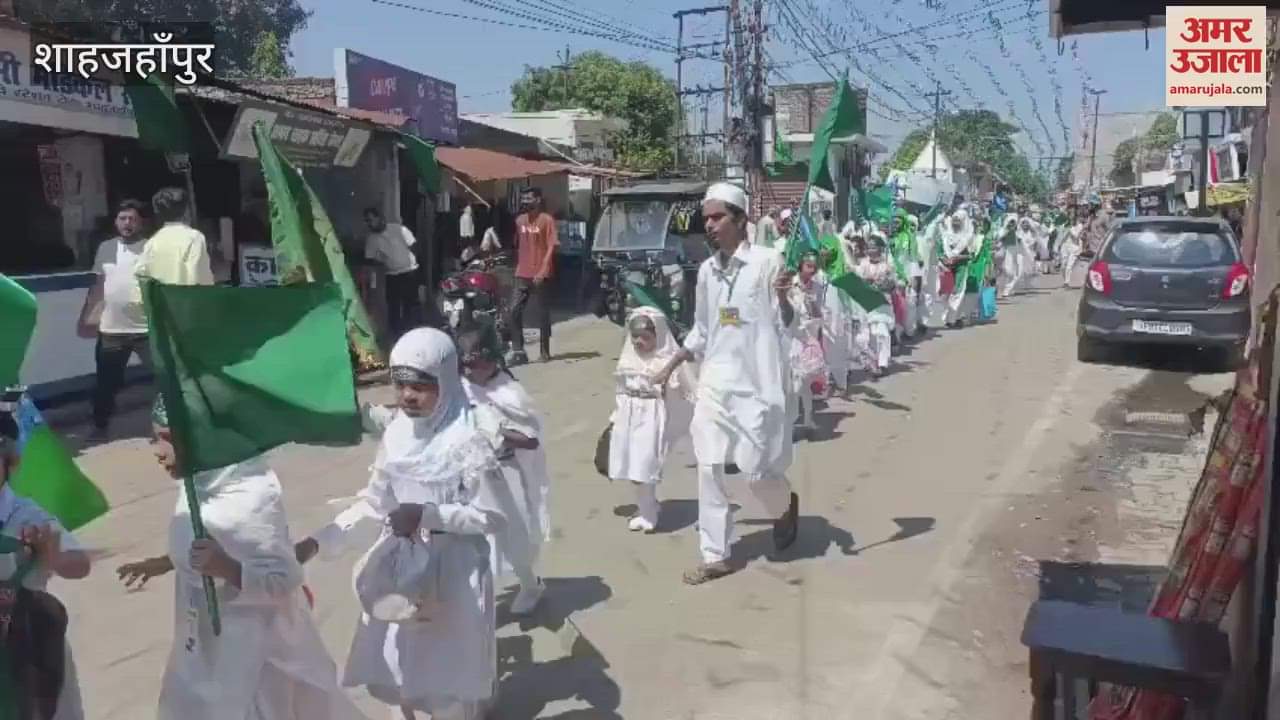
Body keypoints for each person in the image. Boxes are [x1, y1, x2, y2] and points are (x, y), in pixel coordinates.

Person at [295, 328, 505, 720]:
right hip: (399, 574)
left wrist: (428, 515)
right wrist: (317, 543)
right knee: (398, 674)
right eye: (400, 385)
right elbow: (376, 505)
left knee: (447, 685)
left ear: (445, 380)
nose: (407, 396)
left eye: (420, 386)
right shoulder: (396, 434)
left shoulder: (471, 437)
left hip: (454, 575)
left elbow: (492, 515)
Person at [115, 398, 363, 720]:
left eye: (168, 439)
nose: (158, 452)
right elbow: (212, 541)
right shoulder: (198, 482)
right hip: (205, 645)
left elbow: (283, 579)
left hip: (256, 657)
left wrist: (228, 569)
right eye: (155, 438)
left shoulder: (250, 496)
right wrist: (166, 561)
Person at [653, 182, 800, 586]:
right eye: (707, 219)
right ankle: (715, 554)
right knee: (709, 465)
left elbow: (790, 323)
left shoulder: (769, 263)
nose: (710, 225)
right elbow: (703, 329)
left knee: (757, 472)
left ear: (741, 219)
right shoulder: (706, 271)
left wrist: (783, 298)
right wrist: (671, 364)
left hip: (758, 385)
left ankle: (784, 506)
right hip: (716, 383)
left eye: (718, 217)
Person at [0, 411, 91, 720]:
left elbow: (80, 564)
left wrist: (52, 557)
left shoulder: (28, 516)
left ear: (11, 461)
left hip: (27, 652)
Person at [457, 326, 549, 616]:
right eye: (464, 365)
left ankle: (530, 585)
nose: (468, 371)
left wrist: (497, 433)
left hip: (506, 474)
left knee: (513, 536)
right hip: (470, 473)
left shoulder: (510, 393)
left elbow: (531, 439)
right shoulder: (461, 387)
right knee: (470, 537)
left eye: (474, 364)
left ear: (492, 360)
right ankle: (474, 597)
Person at [608, 307, 696, 532]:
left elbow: (684, 394)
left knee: (644, 467)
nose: (639, 342)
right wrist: (617, 415)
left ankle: (648, 515)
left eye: (645, 337)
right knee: (633, 467)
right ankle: (647, 507)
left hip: (652, 419)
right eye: (635, 337)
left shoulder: (666, 362)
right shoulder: (629, 359)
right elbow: (620, 390)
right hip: (628, 417)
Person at [79, 199, 150, 439]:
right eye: (122, 218)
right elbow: (99, 285)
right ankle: (100, 426)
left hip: (146, 329)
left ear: (141, 222)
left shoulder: (151, 248)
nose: (127, 223)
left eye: (132, 219)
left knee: (166, 377)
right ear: (116, 222)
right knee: (106, 383)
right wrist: (89, 316)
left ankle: (174, 425)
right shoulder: (106, 248)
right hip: (112, 329)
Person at [509, 188, 558, 366]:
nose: (525, 201)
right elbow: (518, 245)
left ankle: (545, 351)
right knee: (513, 310)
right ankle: (519, 350)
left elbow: (551, 246)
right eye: (523, 198)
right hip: (522, 273)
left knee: (542, 313)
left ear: (538, 200)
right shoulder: (519, 220)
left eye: (529, 198)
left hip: (541, 274)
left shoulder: (547, 220)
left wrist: (543, 270)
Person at [134, 187, 214, 289]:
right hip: (185, 297)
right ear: (186, 210)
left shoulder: (153, 241)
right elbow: (199, 274)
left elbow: (140, 274)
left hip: (161, 298)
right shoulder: (194, 237)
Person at [362, 207, 422, 342]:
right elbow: (370, 259)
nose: (370, 223)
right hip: (392, 275)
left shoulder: (399, 229)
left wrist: (411, 261)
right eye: (367, 221)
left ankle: (412, 334)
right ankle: (396, 337)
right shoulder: (372, 239)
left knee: (410, 304)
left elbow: (414, 245)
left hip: (409, 272)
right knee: (393, 306)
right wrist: (381, 260)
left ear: (379, 218)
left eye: (371, 220)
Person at [790, 253, 827, 432]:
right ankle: (791, 421)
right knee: (795, 382)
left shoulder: (817, 287)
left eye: (814, 267)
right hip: (792, 337)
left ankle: (807, 419)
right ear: (800, 266)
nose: (812, 270)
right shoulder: (790, 284)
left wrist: (812, 303)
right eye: (808, 266)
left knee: (806, 382)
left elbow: (819, 314)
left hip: (809, 337)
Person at [855, 233, 897, 377]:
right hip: (868, 303)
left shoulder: (887, 265)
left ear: (880, 249)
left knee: (882, 333)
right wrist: (866, 282)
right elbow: (858, 282)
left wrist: (885, 282)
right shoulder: (863, 264)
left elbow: (893, 284)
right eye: (869, 247)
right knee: (871, 335)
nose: (871, 250)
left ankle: (883, 363)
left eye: (874, 247)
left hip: (883, 303)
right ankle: (874, 362)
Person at [939, 209, 980, 328]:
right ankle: (950, 317)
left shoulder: (969, 236)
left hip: (961, 266)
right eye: (954, 220)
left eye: (958, 221)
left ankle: (951, 319)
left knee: (957, 292)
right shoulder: (947, 234)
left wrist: (957, 257)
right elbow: (940, 250)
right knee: (944, 294)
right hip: (946, 267)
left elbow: (971, 255)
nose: (955, 223)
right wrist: (944, 259)